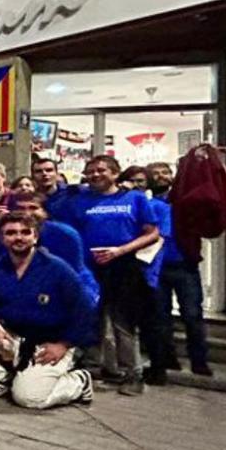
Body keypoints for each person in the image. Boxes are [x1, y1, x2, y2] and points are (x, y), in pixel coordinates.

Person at [0, 213, 97, 408]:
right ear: (2, 238)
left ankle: (79, 382)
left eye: (25, 232)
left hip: (50, 343)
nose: (18, 237)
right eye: (10, 233)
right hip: (13, 337)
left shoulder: (58, 269)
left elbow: (84, 311)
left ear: (35, 237)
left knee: (29, 398)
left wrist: (63, 345)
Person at [65, 155, 160, 394]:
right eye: (91, 171)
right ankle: (105, 370)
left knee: (123, 322)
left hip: (124, 267)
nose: (96, 175)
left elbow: (152, 233)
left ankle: (133, 373)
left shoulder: (135, 198)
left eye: (101, 170)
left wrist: (120, 251)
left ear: (116, 174)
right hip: (89, 268)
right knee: (95, 319)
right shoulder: (80, 201)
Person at [147, 161, 211, 376]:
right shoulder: (145, 204)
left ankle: (199, 361)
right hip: (156, 267)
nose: (160, 177)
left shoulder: (184, 201)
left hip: (185, 264)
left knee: (192, 314)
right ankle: (168, 358)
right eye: (155, 174)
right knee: (160, 316)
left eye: (165, 172)